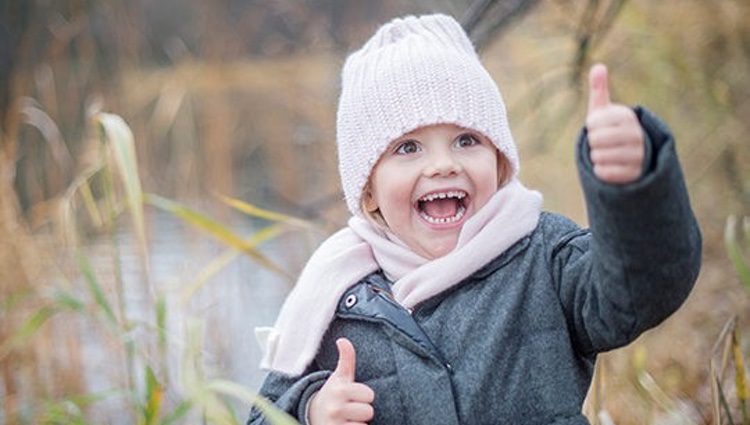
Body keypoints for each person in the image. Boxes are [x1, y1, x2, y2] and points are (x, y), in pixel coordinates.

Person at [247, 13, 701, 425]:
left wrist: (632, 189)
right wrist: (310, 409)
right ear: (368, 189)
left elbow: (642, 289)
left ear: (500, 162)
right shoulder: (334, 297)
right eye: (408, 148)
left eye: (466, 140)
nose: (443, 164)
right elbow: (262, 415)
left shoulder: (544, 256)